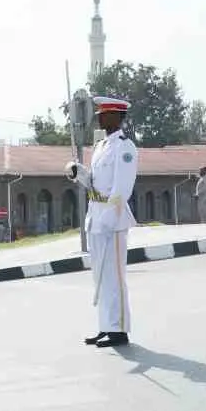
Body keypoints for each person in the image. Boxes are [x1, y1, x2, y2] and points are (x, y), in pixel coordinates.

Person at [66, 95, 137, 347]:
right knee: (100, 276)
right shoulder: (101, 146)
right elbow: (93, 183)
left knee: (114, 276)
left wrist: (109, 218)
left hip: (113, 220)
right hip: (95, 216)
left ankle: (119, 329)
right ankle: (106, 325)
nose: (99, 117)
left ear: (117, 117)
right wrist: (79, 173)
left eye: (104, 113)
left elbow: (122, 188)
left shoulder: (124, 147)